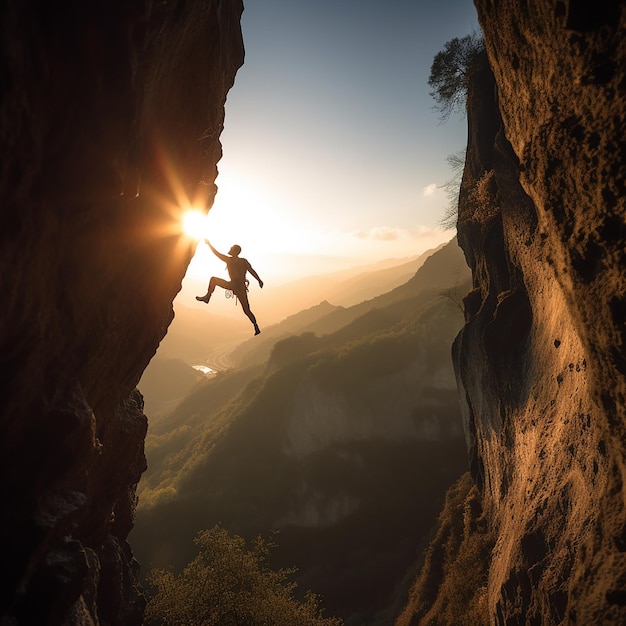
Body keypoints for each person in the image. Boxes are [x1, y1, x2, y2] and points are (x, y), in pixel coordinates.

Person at [196, 239, 263, 335]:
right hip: (237, 287)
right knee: (246, 309)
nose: (229, 249)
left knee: (246, 309)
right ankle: (256, 327)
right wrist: (259, 280)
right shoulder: (240, 261)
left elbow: (217, 254)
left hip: (236, 286)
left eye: (231, 248)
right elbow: (251, 271)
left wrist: (209, 244)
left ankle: (207, 297)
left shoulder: (232, 260)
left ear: (235, 251)